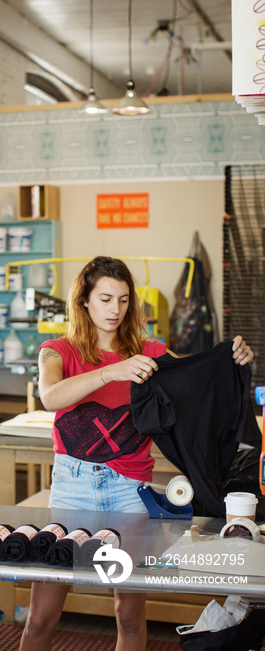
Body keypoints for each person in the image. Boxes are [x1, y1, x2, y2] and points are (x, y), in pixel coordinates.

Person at [19, 256, 253, 651]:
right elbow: (50, 396)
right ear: (85, 302)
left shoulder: (151, 352)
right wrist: (112, 371)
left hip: (129, 491)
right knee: (41, 617)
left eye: (124, 300)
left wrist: (234, 360)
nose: (115, 309)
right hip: (72, 489)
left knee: (128, 613)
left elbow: (197, 379)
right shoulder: (57, 351)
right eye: (106, 298)